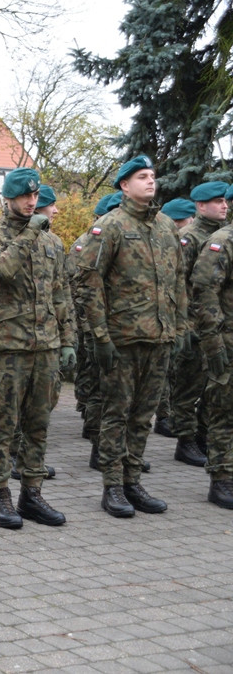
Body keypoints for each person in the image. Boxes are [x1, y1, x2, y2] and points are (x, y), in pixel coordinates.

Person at [74, 155, 187, 518]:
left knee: (143, 416)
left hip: (159, 336)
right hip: (122, 338)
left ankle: (132, 479)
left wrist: (180, 326)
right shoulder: (110, 227)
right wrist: (100, 336)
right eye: (142, 177)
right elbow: (89, 283)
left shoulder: (167, 227)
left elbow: (178, 281)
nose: (150, 182)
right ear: (124, 185)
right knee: (117, 414)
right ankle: (112, 486)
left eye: (153, 176)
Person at [0, 169, 75, 530]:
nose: (32, 203)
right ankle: (0, 496)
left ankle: (31, 493)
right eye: (24, 197)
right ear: (8, 199)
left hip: (45, 346)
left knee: (38, 425)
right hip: (7, 347)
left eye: (35, 197)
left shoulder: (53, 243)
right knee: (2, 424)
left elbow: (61, 294)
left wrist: (68, 340)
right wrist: (30, 232)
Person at [169, 182, 228, 467]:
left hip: (214, 325)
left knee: (211, 386)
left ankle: (203, 435)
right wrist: (184, 325)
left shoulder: (220, 236)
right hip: (193, 324)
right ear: (201, 206)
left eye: (225, 201)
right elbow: (180, 283)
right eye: (217, 201)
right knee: (188, 385)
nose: (224, 206)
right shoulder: (189, 237)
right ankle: (185, 439)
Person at [190, 209, 233, 509]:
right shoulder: (223, 241)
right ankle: (222, 479)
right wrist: (214, 343)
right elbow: (204, 293)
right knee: (224, 413)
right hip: (227, 342)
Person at [152, 197, 195, 440]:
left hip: (176, 317)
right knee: (166, 372)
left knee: (171, 372)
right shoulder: (179, 240)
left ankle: (167, 415)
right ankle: (165, 416)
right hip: (167, 317)